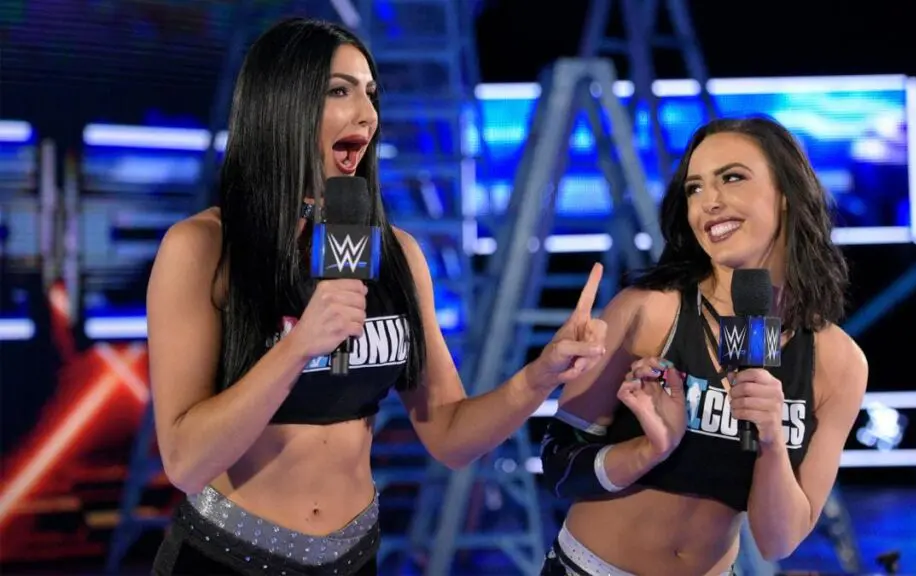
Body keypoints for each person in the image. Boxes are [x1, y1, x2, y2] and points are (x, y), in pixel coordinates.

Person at [146, 18, 607, 576]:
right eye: (340, 91)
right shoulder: (203, 248)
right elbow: (185, 462)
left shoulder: (396, 253)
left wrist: (540, 377)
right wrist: (297, 348)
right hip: (225, 558)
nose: (367, 114)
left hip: (354, 556)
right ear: (282, 104)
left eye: (371, 94)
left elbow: (450, 435)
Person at [538, 116, 869, 576]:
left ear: (787, 193)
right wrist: (649, 449)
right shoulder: (649, 311)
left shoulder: (838, 362)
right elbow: (557, 466)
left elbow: (778, 541)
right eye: (695, 188)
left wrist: (771, 439)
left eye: (732, 178)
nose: (709, 202)